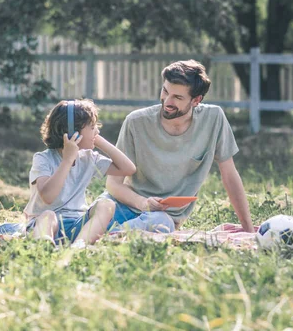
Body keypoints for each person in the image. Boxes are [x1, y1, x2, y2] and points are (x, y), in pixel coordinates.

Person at [100, 60, 254, 233]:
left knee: (158, 222)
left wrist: (249, 230)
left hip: (162, 217)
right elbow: (113, 184)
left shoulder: (213, 119)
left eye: (178, 97)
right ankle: (106, 234)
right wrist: (143, 203)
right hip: (125, 205)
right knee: (87, 221)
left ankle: (110, 236)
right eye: (165, 91)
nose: (167, 101)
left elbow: (230, 176)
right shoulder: (135, 122)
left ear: (196, 100)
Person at [21, 99, 136, 247]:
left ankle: (79, 245)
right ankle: (43, 245)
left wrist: (99, 140)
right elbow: (48, 197)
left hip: (76, 225)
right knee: (48, 216)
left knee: (106, 204)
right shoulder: (43, 159)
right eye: (92, 127)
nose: (97, 131)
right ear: (72, 132)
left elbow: (128, 169)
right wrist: (67, 160)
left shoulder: (88, 158)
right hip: (43, 225)